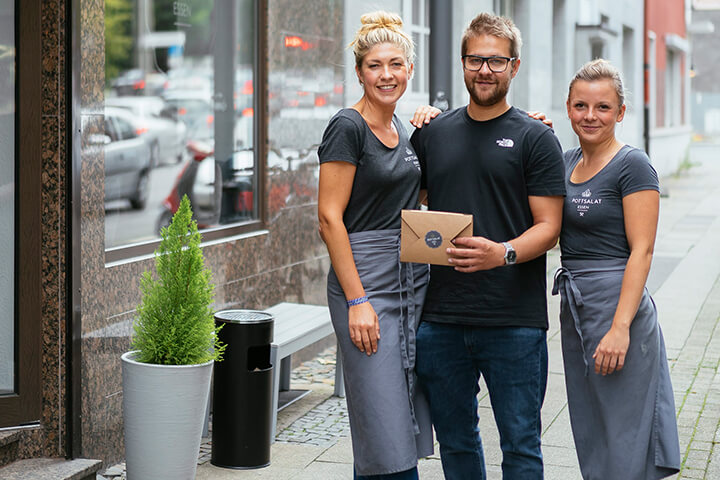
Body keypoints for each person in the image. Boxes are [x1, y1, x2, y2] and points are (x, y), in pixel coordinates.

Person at [409, 12, 566, 480]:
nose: (485, 70)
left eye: (496, 61)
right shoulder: (432, 135)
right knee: (456, 443)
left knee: (521, 446)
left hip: (513, 321)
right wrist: (417, 121)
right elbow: (409, 204)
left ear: (514, 67)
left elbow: (550, 226)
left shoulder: (536, 138)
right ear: (462, 63)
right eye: (476, 59)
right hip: (440, 320)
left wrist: (503, 252)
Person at [317, 11, 434, 480]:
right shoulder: (348, 127)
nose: (386, 74)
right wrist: (357, 299)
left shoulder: (405, 130)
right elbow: (329, 218)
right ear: (360, 71)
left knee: (400, 414)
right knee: (381, 417)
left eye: (395, 64)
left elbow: (420, 197)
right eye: (374, 65)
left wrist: (435, 128)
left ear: (410, 70)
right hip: (365, 281)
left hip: (409, 279)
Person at [551, 59, 681, 479]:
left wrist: (620, 327)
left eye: (603, 107)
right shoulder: (566, 160)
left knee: (626, 430)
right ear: (568, 108)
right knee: (591, 424)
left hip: (617, 306)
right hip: (576, 308)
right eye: (581, 106)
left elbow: (642, 251)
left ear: (621, 112)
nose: (591, 116)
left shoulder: (633, 164)